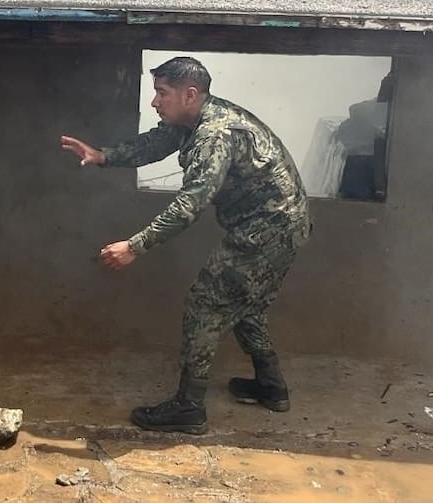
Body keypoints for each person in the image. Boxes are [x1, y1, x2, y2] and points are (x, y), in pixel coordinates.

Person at [60, 56, 310, 434]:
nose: (155, 102)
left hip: (267, 231)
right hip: (280, 226)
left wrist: (135, 245)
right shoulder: (195, 119)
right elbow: (158, 141)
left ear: (190, 94)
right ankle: (271, 388)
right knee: (244, 306)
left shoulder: (214, 135)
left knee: (206, 305)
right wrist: (104, 156)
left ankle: (189, 408)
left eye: (162, 93)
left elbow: (190, 204)